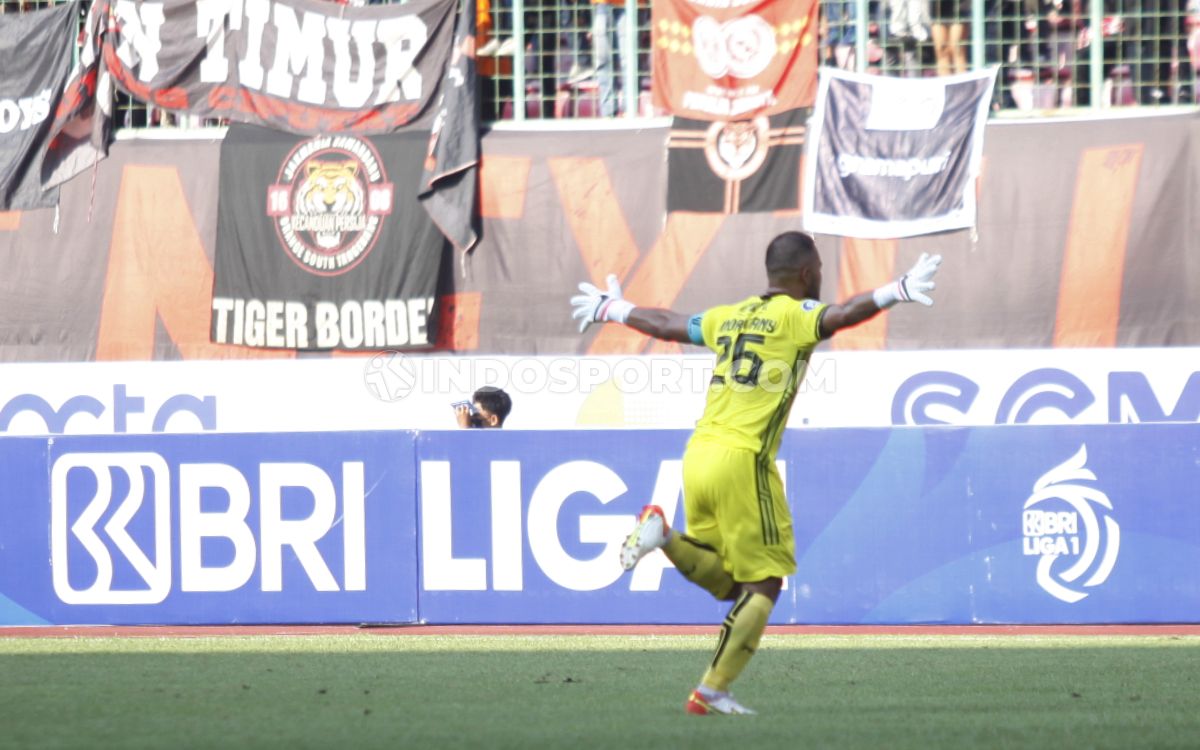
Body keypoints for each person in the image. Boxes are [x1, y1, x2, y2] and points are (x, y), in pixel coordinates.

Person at [570, 232, 942, 716]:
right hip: (744, 460)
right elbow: (842, 315)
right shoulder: (796, 315)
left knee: (727, 582)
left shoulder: (729, 316)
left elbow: (665, 323)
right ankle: (712, 689)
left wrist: (612, 309)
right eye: (820, 272)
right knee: (766, 584)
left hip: (698, 454)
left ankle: (663, 535)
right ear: (808, 274)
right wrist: (897, 289)